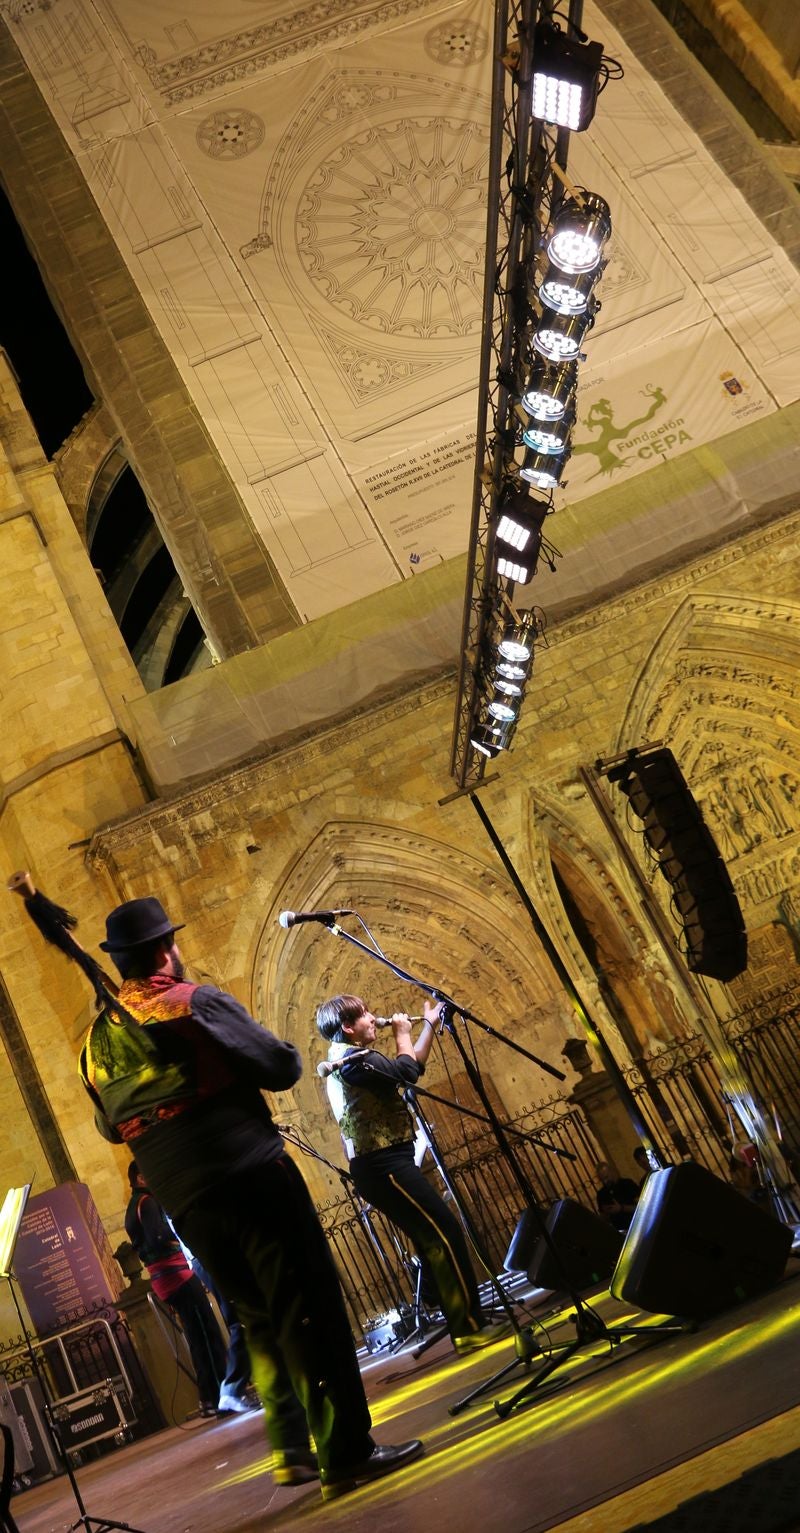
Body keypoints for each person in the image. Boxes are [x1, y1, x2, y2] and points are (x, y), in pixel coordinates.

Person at [79, 897, 422, 1501]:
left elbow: (111, 1128)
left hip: (187, 1205)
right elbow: (280, 1065)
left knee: (260, 1318)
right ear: (166, 951)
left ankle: (291, 1447)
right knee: (307, 1307)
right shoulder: (193, 1003)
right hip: (249, 1177)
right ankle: (344, 1452)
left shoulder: (93, 1045)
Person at [315, 993, 513, 1355]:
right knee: (444, 1232)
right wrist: (403, 1033)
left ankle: (450, 1306)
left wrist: (429, 1028)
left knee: (431, 1238)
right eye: (365, 1016)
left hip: (390, 1162)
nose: (374, 1019)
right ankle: (468, 1327)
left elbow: (410, 1069)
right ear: (348, 1028)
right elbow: (404, 1072)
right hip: (383, 1166)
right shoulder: (355, 1061)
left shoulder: (351, 1058)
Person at [124, 1162, 227, 1418]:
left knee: (197, 1337)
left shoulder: (133, 1206)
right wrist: (182, 1231)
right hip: (176, 1276)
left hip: (166, 1279)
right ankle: (223, 1396)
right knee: (208, 1334)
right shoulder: (146, 1202)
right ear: (139, 1177)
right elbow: (158, 1237)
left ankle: (209, 1398)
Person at [594, 1160, 639, 1233]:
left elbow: (641, 1207)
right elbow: (603, 1218)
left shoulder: (627, 1184)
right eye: (602, 1180)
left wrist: (621, 1208)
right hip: (619, 1231)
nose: (605, 1181)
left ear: (612, 1172)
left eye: (606, 1177)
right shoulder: (601, 1194)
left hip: (636, 1226)